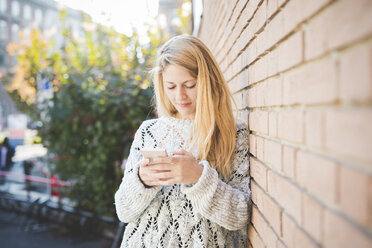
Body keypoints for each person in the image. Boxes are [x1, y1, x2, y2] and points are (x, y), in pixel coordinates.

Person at [114, 34, 251, 247]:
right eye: (171, 86)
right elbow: (123, 211)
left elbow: (240, 216)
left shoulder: (232, 133)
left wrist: (198, 177)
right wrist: (142, 180)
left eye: (189, 84)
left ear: (208, 81)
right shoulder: (148, 132)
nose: (180, 96)